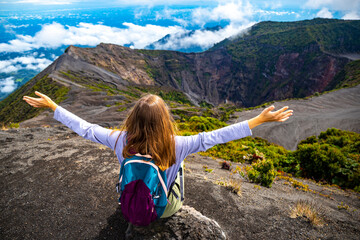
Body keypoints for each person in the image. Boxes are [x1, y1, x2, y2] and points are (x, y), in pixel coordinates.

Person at [23, 91, 293, 218]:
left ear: (132, 119)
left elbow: (86, 129)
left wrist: (53, 106)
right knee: (182, 165)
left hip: (128, 203)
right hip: (163, 209)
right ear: (164, 121)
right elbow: (217, 136)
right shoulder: (178, 144)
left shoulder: (119, 140)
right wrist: (258, 120)